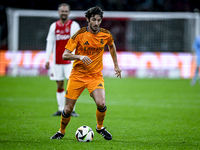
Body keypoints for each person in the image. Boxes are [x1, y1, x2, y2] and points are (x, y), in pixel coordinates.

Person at [50, 6, 122, 140]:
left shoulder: (106, 34)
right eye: (93, 20)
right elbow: (65, 55)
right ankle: (61, 131)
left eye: (98, 20)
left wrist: (116, 65)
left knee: (101, 103)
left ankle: (100, 128)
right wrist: (80, 57)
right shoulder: (79, 35)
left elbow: (111, 45)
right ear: (88, 19)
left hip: (95, 76)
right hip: (77, 76)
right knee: (68, 109)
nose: (96, 23)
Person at [45, 3, 80, 116]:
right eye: (62, 11)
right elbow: (50, 43)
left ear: (68, 12)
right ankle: (61, 109)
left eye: (66, 11)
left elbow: (78, 43)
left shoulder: (74, 25)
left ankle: (71, 110)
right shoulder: (53, 26)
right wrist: (47, 59)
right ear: (59, 12)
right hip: (56, 60)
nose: (64, 13)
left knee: (72, 85)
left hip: (70, 61)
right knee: (59, 84)